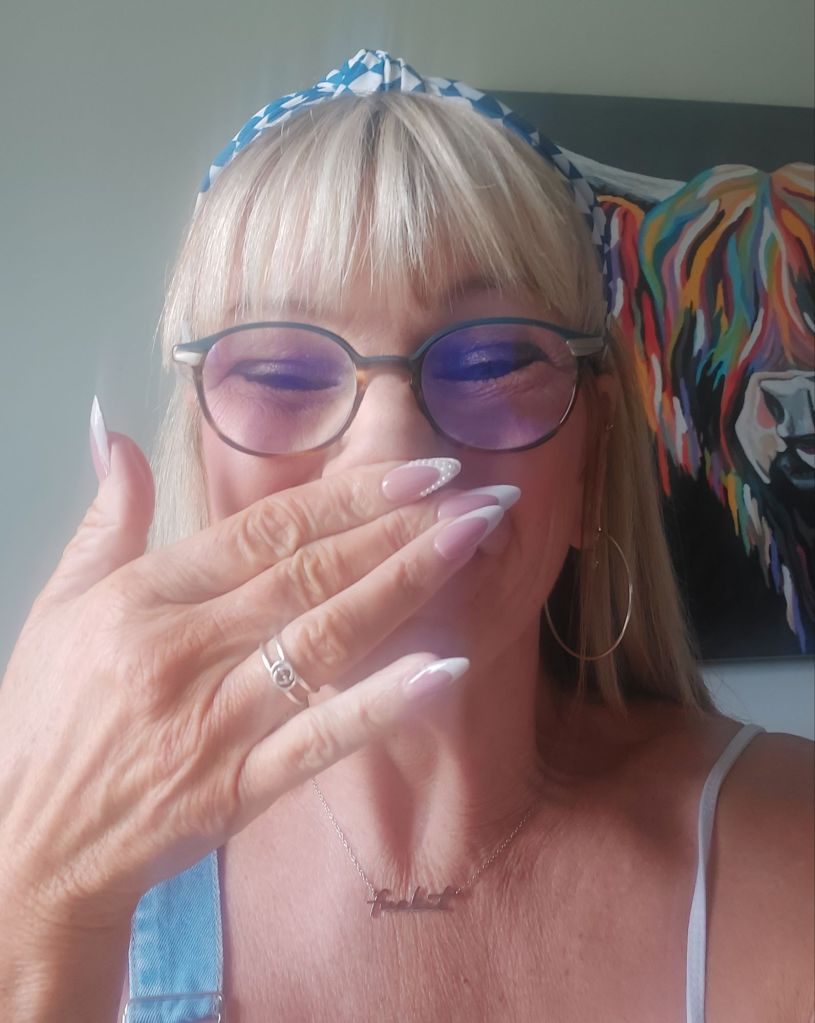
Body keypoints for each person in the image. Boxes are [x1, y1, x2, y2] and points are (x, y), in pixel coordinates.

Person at [1, 49, 812, 1023]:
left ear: (590, 455)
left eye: (492, 358)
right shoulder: (77, 861)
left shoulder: (791, 852)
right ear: (202, 454)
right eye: (280, 374)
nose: (390, 451)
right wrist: (40, 918)